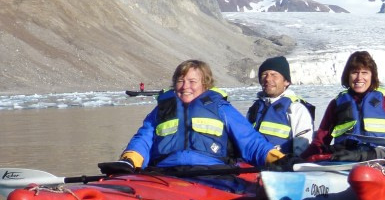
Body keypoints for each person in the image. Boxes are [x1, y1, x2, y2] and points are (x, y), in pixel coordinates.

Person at [112, 59, 286, 172]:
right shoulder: (161, 110)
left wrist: (279, 160)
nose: (185, 86)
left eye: (192, 81)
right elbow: (143, 139)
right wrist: (130, 160)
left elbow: (251, 142)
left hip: (212, 175)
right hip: (165, 173)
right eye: (180, 81)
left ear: (205, 84)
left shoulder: (221, 108)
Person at [304, 51, 385, 162]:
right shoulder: (337, 103)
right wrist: (300, 159)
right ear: (348, 76)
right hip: (347, 160)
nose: (359, 78)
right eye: (354, 72)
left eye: (364, 72)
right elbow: (320, 142)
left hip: (381, 158)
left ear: (372, 76)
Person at [246, 55, 315, 158]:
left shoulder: (296, 109)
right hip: (254, 165)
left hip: (283, 167)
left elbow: (303, 148)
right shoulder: (254, 109)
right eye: (265, 74)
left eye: (274, 75)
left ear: (286, 82)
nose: (268, 79)